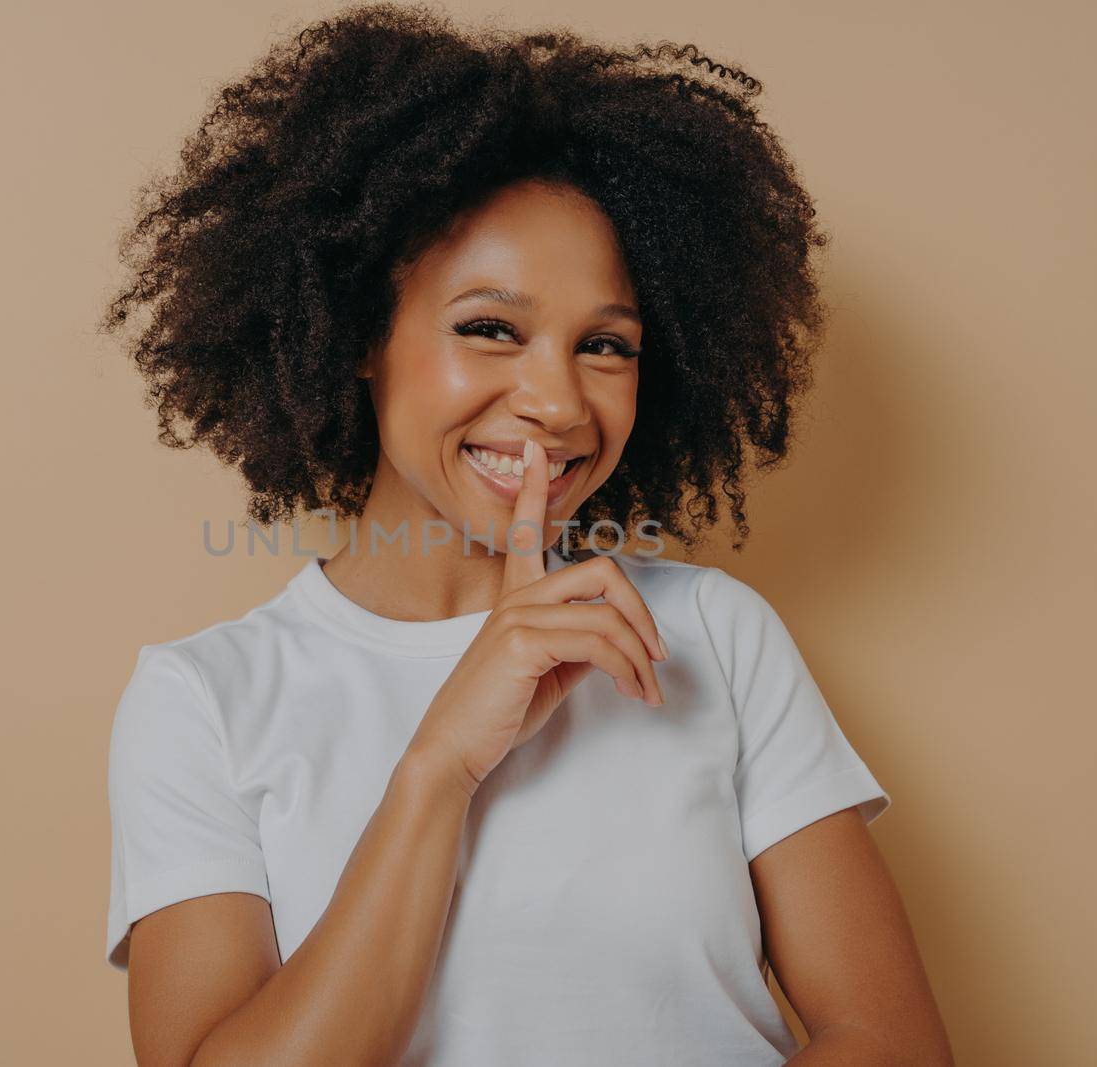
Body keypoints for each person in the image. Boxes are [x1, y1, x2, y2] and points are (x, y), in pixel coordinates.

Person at [96, 5, 952, 1064]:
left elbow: (889, 1039)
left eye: (605, 344)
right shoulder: (205, 699)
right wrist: (439, 766)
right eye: (489, 328)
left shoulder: (712, 636)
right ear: (361, 332)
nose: (555, 401)